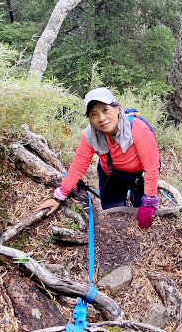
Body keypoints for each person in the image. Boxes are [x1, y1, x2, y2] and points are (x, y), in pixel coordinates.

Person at [37, 87, 160, 229]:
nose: (101, 119)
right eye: (94, 114)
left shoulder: (139, 130)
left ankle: (135, 197)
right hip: (112, 175)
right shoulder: (91, 135)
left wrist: (149, 202)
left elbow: (151, 167)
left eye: (105, 110)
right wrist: (59, 197)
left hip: (140, 175)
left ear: (117, 108)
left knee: (141, 208)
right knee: (114, 214)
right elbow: (78, 166)